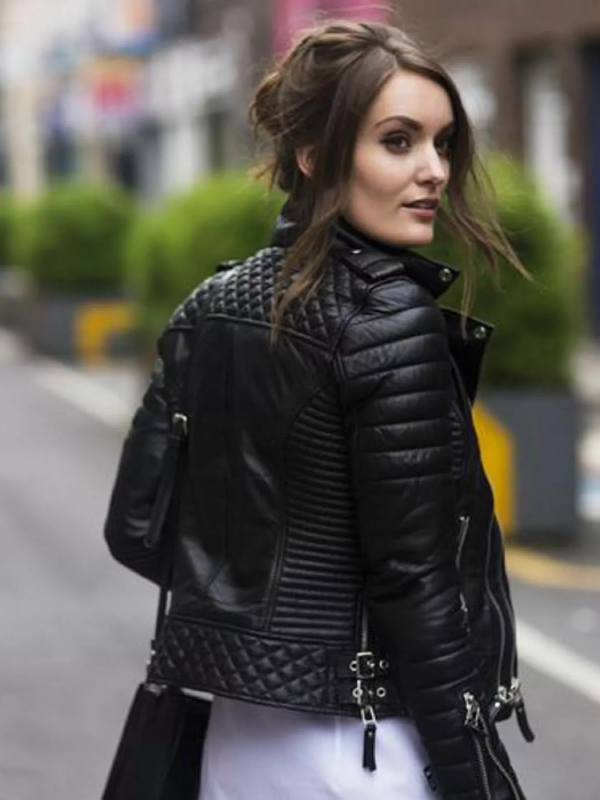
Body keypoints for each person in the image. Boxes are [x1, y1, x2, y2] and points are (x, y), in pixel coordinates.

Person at [104, 18, 536, 800]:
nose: (434, 170)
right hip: (363, 749)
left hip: (235, 745)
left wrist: (263, 626)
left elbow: (136, 527)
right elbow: (415, 584)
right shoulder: (387, 320)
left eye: (443, 143)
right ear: (313, 155)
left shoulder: (210, 304)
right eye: (398, 141)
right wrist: (479, 777)